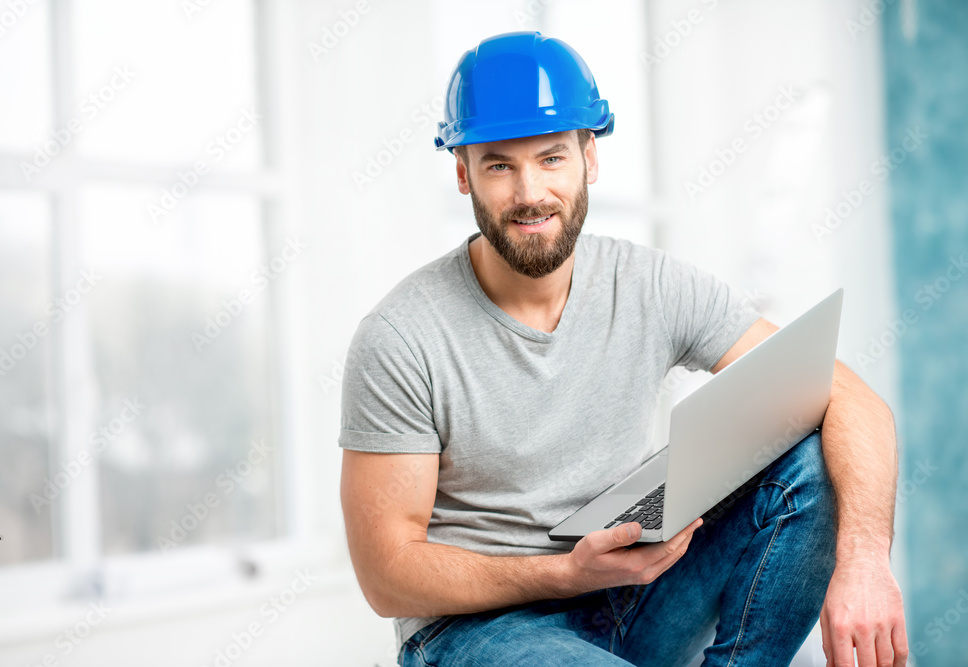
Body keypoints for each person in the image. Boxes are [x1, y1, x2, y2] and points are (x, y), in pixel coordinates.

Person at [338, 31, 907, 667]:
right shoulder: (401, 336)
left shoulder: (651, 284)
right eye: (500, 164)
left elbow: (852, 398)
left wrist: (863, 563)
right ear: (463, 172)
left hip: (631, 595)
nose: (530, 193)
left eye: (552, 157)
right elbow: (385, 575)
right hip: (473, 632)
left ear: (591, 159)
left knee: (811, 456)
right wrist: (566, 575)